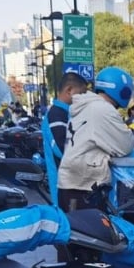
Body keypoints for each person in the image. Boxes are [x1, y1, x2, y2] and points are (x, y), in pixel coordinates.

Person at [58, 66, 134, 213]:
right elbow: (126, 145)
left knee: (75, 226)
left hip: (73, 182)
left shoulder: (85, 105)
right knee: (88, 227)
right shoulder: (103, 109)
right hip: (84, 186)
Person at [41, 72, 88, 206]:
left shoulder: (68, 114)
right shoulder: (56, 115)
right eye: (82, 93)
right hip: (64, 189)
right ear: (69, 90)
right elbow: (62, 150)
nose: (84, 98)